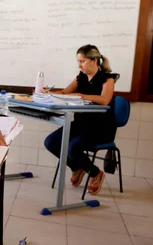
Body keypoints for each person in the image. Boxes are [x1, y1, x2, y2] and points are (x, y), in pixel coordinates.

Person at [43, 44, 119, 195]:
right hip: (81, 124)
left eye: (82, 61)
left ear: (94, 60)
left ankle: (94, 172)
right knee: (50, 142)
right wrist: (48, 92)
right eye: (78, 61)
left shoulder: (107, 78)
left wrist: (83, 96)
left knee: (73, 147)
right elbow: (65, 92)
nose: (79, 65)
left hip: (100, 128)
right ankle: (76, 167)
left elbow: (104, 100)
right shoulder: (80, 77)